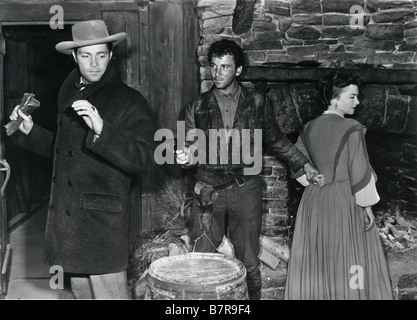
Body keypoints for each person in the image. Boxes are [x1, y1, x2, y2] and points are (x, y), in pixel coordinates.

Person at [9, 20, 154, 299]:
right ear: (74, 57)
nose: (94, 63)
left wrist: (102, 130)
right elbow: (66, 152)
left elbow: (145, 159)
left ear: (111, 55)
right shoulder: (70, 94)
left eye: (101, 54)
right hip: (72, 225)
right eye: (86, 55)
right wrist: (30, 132)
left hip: (103, 228)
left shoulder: (129, 100)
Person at [175, 39, 319, 300]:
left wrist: (304, 164)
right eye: (214, 66)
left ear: (238, 70)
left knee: (249, 261)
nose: (217, 73)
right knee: (201, 260)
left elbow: (275, 140)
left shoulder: (257, 102)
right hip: (208, 191)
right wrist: (186, 158)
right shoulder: (196, 108)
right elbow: (190, 147)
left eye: (225, 67)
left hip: (246, 189)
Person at [284, 71, 393, 300]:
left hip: (314, 201)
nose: (357, 101)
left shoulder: (308, 128)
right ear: (335, 99)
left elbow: (298, 168)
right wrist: (368, 209)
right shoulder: (352, 128)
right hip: (344, 201)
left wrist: (313, 179)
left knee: (321, 260)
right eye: (352, 97)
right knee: (350, 262)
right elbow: (360, 174)